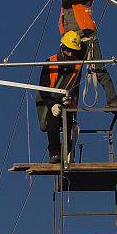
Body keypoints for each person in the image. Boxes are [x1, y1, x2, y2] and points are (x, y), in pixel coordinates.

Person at [30, 0, 117, 110]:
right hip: (70, 42)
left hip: (87, 39)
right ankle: (70, 110)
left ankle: (112, 100)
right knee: (71, 75)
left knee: (98, 69)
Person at [35, 30, 85, 164]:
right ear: (62, 48)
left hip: (68, 103)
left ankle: (68, 155)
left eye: (73, 51)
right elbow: (43, 88)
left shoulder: (77, 65)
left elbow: (75, 85)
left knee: (69, 128)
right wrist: (52, 105)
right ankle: (55, 154)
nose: (70, 54)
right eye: (68, 51)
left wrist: (67, 98)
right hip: (50, 101)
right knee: (53, 123)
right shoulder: (50, 62)